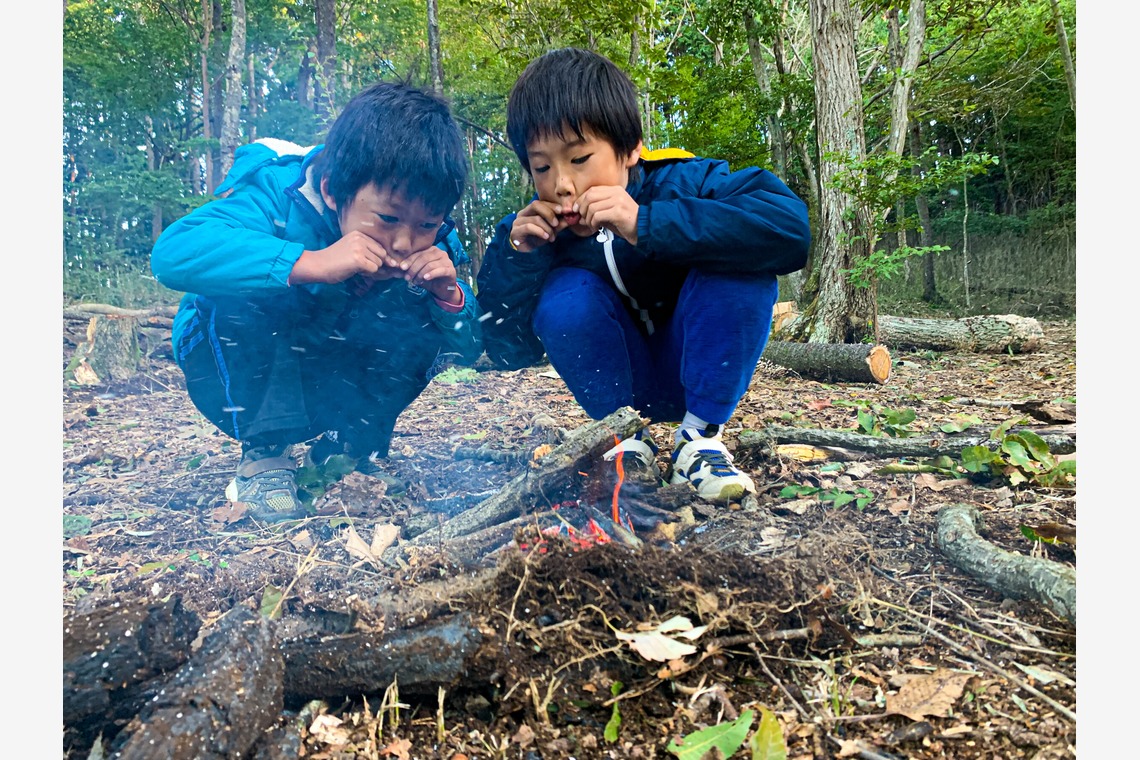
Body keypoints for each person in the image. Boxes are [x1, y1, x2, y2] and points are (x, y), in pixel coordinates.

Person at [476, 48, 810, 502]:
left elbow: (788, 230)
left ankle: (698, 444)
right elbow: (506, 350)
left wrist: (645, 224)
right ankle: (625, 444)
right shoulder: (530, 234)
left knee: (740, 266)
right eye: (541, 166)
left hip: (696, 367)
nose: (561, 184)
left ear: (631, 149)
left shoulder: (683, 181)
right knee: (564, 293)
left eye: (579, 159)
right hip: (616, 385)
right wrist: (521, 256)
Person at [151, 82, 481, 522]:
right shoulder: (278, 194)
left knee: (416, 302)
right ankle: (265, 455)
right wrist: (308, 262)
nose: (404, 241)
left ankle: (347, 452)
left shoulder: (437, 241)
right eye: (387, 218)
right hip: (223, 371)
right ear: (331, 190)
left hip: (327, 376)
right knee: (256, 285)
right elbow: (173, 252)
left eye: (426, 223)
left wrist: (449, 296)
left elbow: (471, 348)